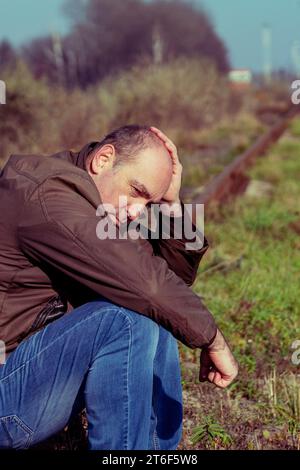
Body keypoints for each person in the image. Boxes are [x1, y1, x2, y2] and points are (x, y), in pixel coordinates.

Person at [0, 124, 238, 450]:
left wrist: (171, 205)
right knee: (125, 321)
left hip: (28, 378)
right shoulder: (48, 196)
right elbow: (150, 285)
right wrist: (214, 340)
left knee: (151, 310)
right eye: (137, 191)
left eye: (148, 202)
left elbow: (170, 285)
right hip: (6, 394)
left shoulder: (103, 205)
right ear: (103, 160)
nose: (137, 211)